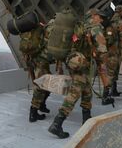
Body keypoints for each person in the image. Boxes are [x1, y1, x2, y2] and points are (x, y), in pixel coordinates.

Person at [48, 8, 113, 139]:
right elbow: (102, 49)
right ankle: (57, 123)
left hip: (75, 62)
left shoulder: (80, 26)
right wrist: (104, 66)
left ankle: (86, 119)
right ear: (94, 16)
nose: (101, 19)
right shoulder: (95, 28)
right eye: (100, 17)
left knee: (87, 91)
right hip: (82, 65)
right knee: (75, 92)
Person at [24, 19, 51, 122]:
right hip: (41, 63)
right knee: (40, 86)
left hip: (35, 61)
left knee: (46, 84)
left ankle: (41, 105)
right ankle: (33, 112)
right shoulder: (41, 32)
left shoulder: (31, 34)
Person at [107, 5, 122, 96]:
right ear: (121, 12)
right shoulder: (121, 23)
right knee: (112, 72)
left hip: (108, 51)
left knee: (113, 70)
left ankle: (114, 90)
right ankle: (105, 95)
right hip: (115, 52)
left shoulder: (110, 22)